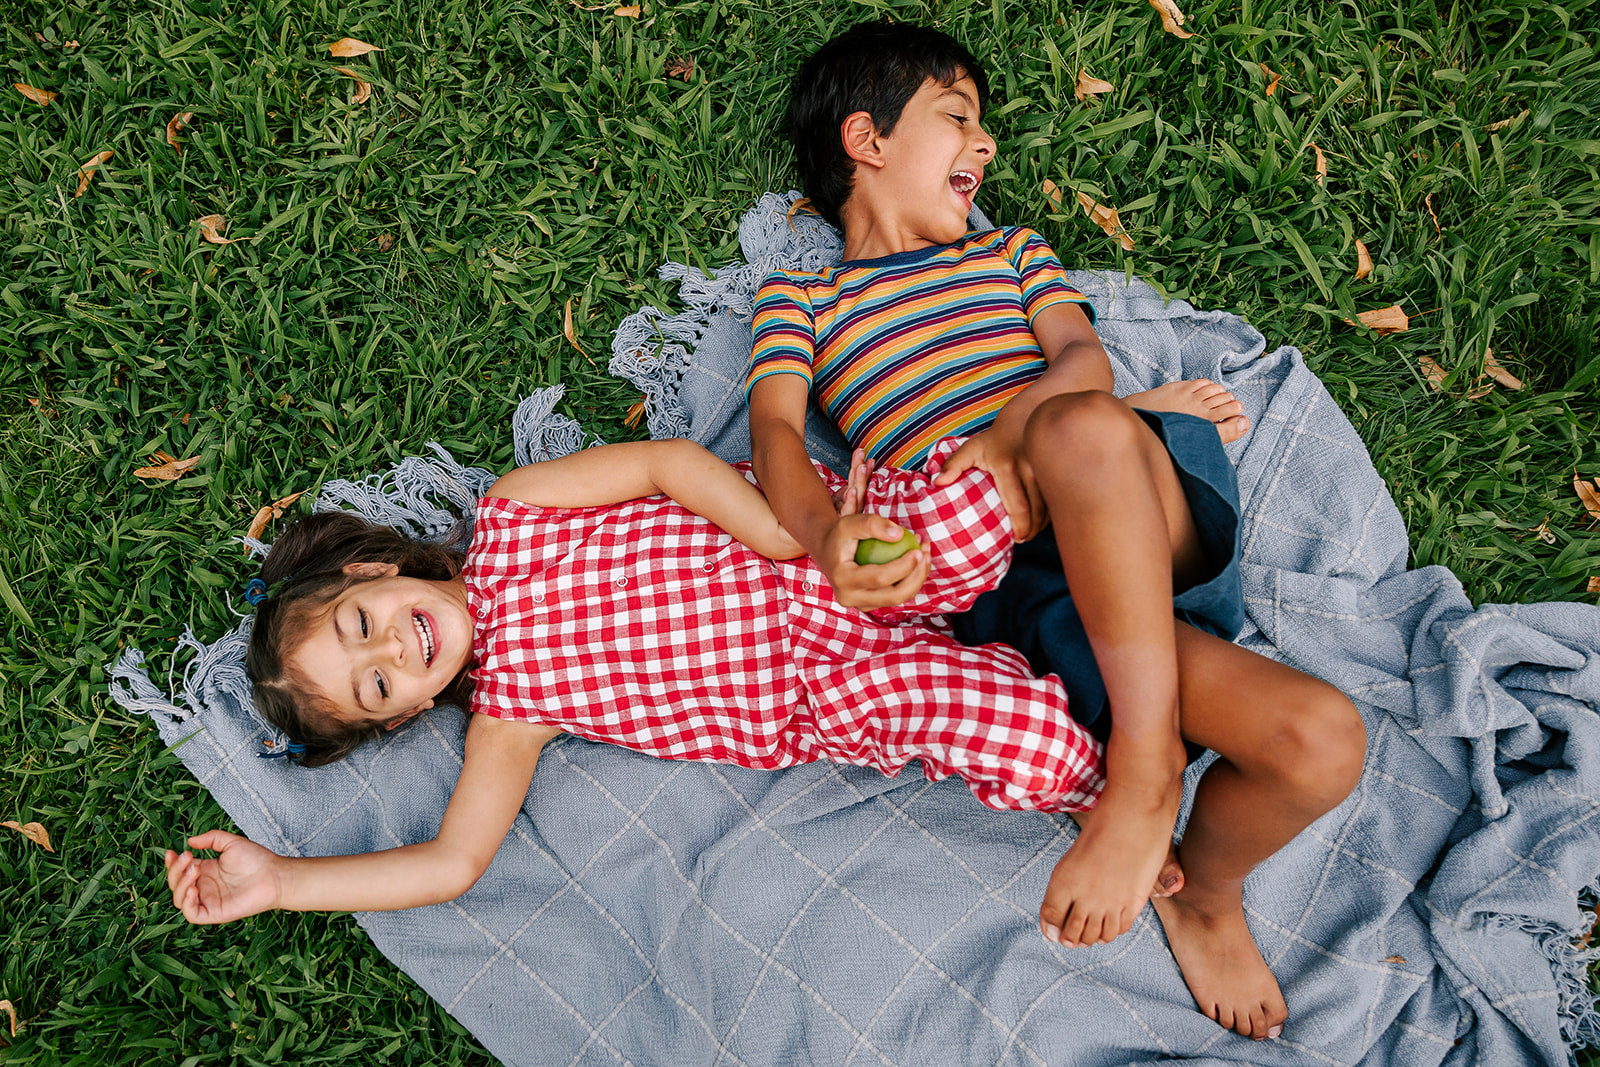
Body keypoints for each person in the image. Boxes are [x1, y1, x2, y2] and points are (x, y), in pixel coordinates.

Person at [745, 21, 1367, 1041]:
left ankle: (1142, 775)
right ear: (866, 137)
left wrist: (1006, 436)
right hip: (1015, 584)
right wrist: (824, 535)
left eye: (984, 131)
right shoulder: (802, 298)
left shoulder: (1009, 252)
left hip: (1126, 503)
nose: (984, 149)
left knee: (1080, 424)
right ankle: (1201, 888)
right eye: (958, 120)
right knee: (1319, 741)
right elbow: (775, 430)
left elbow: (1081, 361)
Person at [166, 438, 1122, 933]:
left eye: (359, 626)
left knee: (974, 508)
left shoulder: (515, 510)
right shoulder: (509, 715)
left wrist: (788, 535)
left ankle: (1125, 457)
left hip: (816, 554)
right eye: (377, 686)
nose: (393, 651)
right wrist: (284, 882)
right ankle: (1109, 805)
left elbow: (665, 465)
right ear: (413, 711)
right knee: (1008, 732)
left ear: (373, 574)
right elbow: (452, 864)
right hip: (823, 686)